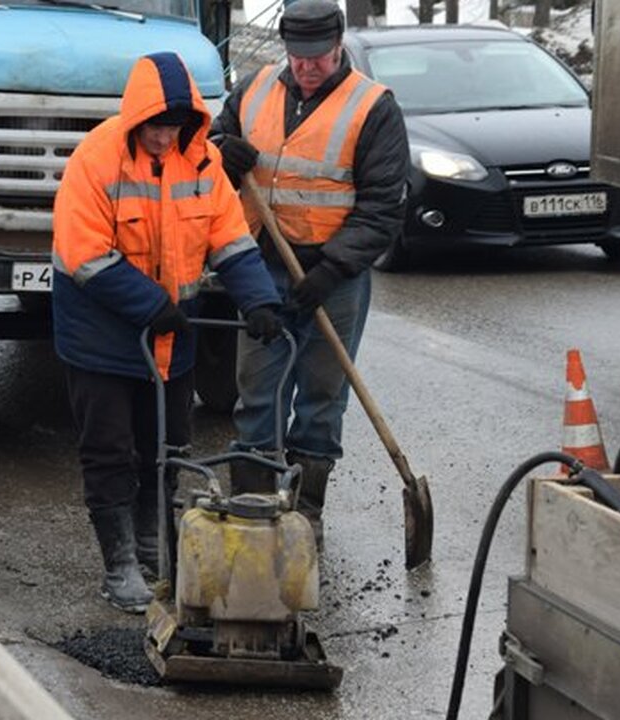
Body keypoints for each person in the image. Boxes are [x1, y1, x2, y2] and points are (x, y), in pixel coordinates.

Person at [52, 52, 283, 613]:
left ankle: (155, 543)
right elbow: (83, 252)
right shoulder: (97, 159)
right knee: (110, 449)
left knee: (167, 445)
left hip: (170, 334)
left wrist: (259, 300)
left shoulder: (202, 161)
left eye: (173, 128)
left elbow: (229, 237)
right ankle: (120, 564)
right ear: (137, 119)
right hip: (102, 332)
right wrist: (150, 303)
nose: (162, 139)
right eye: (155, 127)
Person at [212, 0, 409, 544]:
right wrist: (220, 150)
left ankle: (305, 515)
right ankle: (253, 508)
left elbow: (382, 209)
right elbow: (208, 148)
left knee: (322, 396)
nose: (306, 68)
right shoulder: (253, 89)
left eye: (317, 58)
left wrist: (331, 269)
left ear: (338, 45)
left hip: (333, 275)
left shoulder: (372, 107)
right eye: (297, 57)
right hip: (260, 266)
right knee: (258, 389)